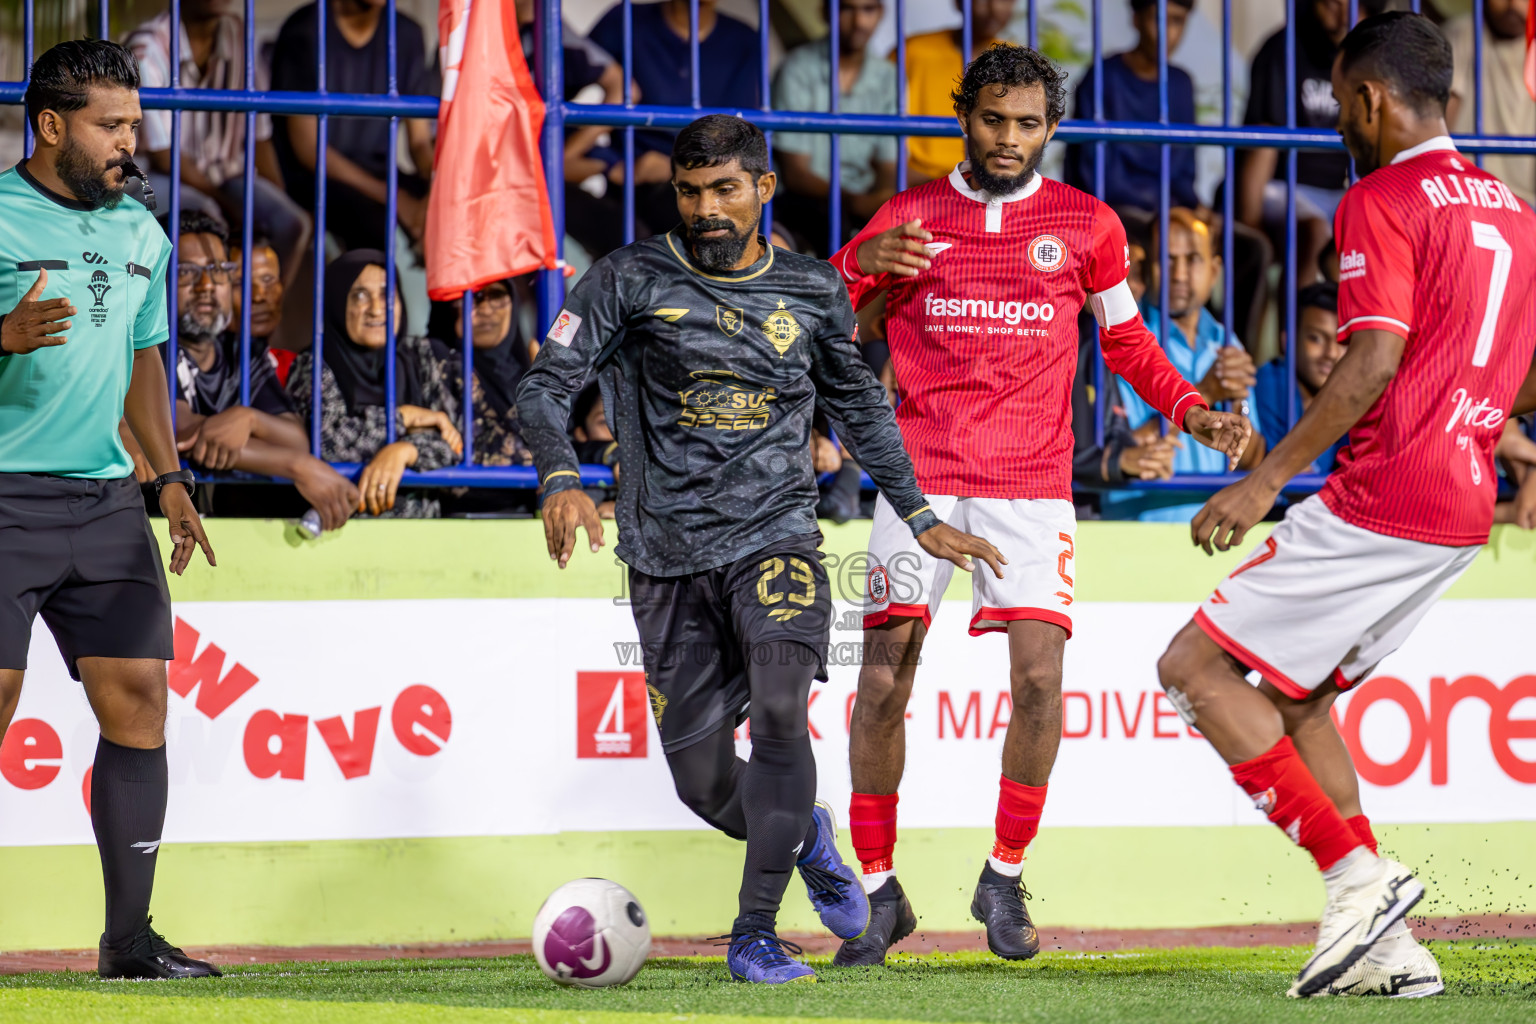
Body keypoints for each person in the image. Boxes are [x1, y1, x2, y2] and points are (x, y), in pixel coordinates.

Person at [516, 114, 1003, 984]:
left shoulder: (814, 291)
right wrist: (560, 477)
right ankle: (808, 833)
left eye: (725, 190)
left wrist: (920, 515)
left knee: (782, 711)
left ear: (764, 189)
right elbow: (547, 386)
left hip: (777, 539)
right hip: (665, 557)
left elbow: (859, 408)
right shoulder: (626, 279)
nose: (707, 209)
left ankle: (754, 935)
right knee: (703, 786)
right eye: (691, 193)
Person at [827, 44, 1251, 965]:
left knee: (1039, 683)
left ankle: (1004, 873)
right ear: (963, 119)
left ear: (1050, 130)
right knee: (884, 681)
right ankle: (875, 892)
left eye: (1026, 124)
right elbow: (821, 313)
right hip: (918, 478)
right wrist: (861, 259)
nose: (1008, 138)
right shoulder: (908, 215)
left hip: (1032, 486)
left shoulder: (1086, 225)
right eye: (992, 120)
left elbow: (1129, 342)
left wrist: (1192, 411)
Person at [1158, 13, 1536, 998]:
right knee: (1297, 696)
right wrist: (1486, 414)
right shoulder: (1510, 209)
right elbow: (1519, 374)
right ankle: (1386, 949)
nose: (1339, 130)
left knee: (1193, 666)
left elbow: (1368, 358)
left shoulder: (1382, 196)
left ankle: (1356, 879)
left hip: (1388, 490)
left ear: (1367, 100)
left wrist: (1261, 477)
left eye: (1341, 107)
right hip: (1460, 500)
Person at [0, 40, 217, 980]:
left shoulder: (138, 230)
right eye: (112, 125)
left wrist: (165, 479)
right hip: (4, 499)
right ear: (52, 125)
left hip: (102, 502)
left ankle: (128, 943)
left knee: (138, 703)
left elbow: (142, 360)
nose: (133, 141)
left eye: (135, 122)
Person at [1063, 0, 1273, 347]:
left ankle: (1233, 354)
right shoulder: (1103, 78)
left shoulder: (1180, 84)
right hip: (1119, 210)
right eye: (1157, 19)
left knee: (1253, 248)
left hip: (1171, 211)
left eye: (1177, 21)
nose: (1167, 32)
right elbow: (1095, 175)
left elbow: (1183, 171)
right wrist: (1172, 209)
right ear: (1136, 18)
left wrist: (1196, 207)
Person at [157, 211, 359, 531]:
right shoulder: (153, 348)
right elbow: (182, 433)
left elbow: (294, 438)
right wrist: (299, 468)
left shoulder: (241, 348)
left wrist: (249, 418)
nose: (206, 286)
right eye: (186, 272)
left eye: (218, 270)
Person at [124, 0, 311, 287]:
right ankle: (203, 318)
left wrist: (278, 196)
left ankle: (255, 321)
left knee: (293, 224)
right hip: (152, 178)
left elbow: (259, 134)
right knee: (207, 214)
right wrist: (229, 206)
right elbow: (163, 156)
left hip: (223, 175)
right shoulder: (148, 47)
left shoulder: (239, 37)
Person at [1101, 209, 1267, 523]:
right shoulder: (1122, 339)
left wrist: (1237, 401)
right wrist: (1205, 392)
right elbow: (1110, 453)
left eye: (1192, 259)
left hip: (1211, 527)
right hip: (1136, 528)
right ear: (1147, 267)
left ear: (1215, 271)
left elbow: (1249, 459)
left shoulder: (1226, 340)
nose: (1179, 275)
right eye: (1167, 259)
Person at [286, 251, 464, 519]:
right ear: (336, 302)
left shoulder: (423, 356)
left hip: (425, 539)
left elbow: (454, 446)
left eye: (385, 294)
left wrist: (404, 451)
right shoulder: (314, 365)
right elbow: (328, 444)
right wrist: (404, 417)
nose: (377, 309)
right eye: (359, 295)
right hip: (341, 531)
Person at [270, 0, 435, 253]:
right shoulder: (305, 29)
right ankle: (382, 293)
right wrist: (396, 198)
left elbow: (420, 141)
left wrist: (437, 187)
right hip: (318, 177)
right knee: (373, 220)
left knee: (457, 209)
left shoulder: (407, 33)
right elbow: (309, 150)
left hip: (380, 171)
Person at [588, 1, 762, 236]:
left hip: (715, 181)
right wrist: (611, 162)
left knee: (770, 239)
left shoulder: (743, 39)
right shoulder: (625, 20)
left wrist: (683, 168)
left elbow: (742, 134)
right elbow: (552, 103)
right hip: (641, 189)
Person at [1239, 0, 1360, 285]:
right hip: (1284, 187)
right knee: (1315, 231)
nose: (1342, 13)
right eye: (1332, 3)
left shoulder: (1359, 56)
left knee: (1372, 227)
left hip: (1340, 190)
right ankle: (1295, 329)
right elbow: (1265, 140)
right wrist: (1250, 223)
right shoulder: (1282, 49)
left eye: (1351, 3)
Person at [772, 0, 898, 254]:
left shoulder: (888, 75)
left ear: (881, 13)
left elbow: (889, 166)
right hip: (803, 203)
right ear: (826, 12)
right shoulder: (797, 69)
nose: (859, 22)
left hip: (862, 202)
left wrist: (885, 204)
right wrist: (855, 202)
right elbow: (795, 174)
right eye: (846, 9)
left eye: (868, 9)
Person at [903, 0, 1016, 184]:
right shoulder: (913, 52)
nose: (994, 9)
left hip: (988, 182)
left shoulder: (1015, 60)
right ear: (958, 3)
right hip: (916, 181)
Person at [425, 279, 533, 467]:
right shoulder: (429, 367)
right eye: (474, 296)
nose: (486, 309)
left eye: (497, 295)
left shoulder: (535, 368)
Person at [1445, 0, 1536, 208]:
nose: (1513, 4)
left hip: (1528, 202)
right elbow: (1439, 120)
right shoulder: (1462, 34)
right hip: (1468, 195)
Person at [1253, 282, 1346, 473]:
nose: (1331, 352)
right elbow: (1287, 476)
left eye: (1342, 342)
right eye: (1316, 338)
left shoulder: (1352, 395)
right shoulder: (1272, 383)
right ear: (1287, 341)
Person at [230, 237, 296, 382]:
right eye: (240, 283)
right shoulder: (200, 375)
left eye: (267, 279)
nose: (258, 296)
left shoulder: (296, 368)